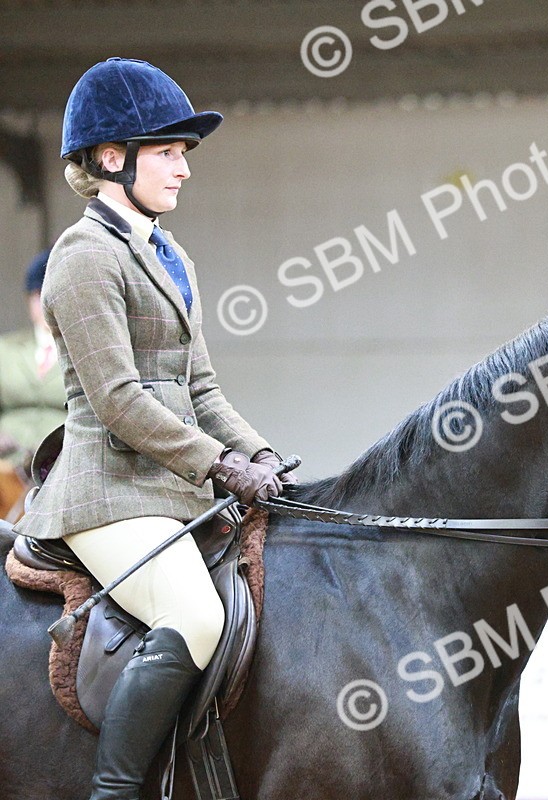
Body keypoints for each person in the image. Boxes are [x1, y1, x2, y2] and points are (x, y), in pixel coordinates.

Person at [14, 58, 293, 800]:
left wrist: (259, 452)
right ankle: (114, 791)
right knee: (195, 614)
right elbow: (119, 401)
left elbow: (200, 388)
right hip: (106, 493)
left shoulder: (172, 256)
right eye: (168, 151)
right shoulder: (82, 257)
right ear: (113, 157)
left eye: (183, 155)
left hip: (168, 488)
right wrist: (223, 467)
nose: (183, 170)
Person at [0, 250, 68, 516]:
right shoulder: (5, 349)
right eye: (38, 296)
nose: (44, 305)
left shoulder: (84, 354)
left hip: (57, 470)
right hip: (5, 468)